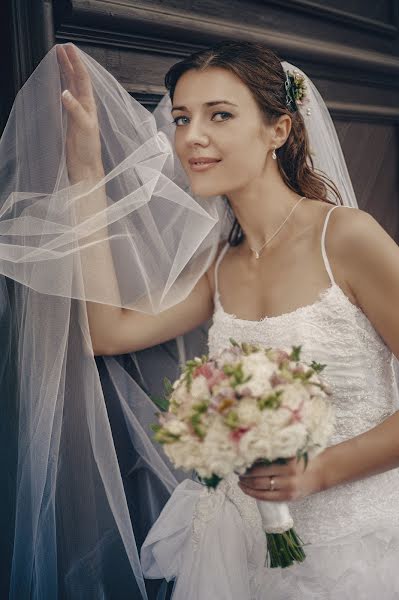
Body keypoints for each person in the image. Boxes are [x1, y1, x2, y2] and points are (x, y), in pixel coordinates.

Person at [0, 39, 398, 598]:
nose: (191, 137)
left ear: (278, 131)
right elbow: (108, 332)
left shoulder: (348, 238)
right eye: (182, 117)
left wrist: (319, 471)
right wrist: (86, 169)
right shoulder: (220, 264)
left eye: (220, 115)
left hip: (359, 551)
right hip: (242, 554)